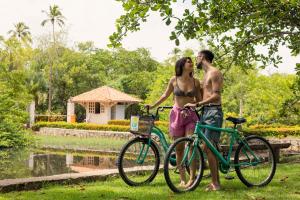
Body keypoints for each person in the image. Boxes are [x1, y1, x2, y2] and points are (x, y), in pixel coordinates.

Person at [146, 57, 202, 187]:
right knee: (179, 149)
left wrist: (194, 104)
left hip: (191, 116)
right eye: (189, 62)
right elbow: (164, 96)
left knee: (190, 145)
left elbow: (199, 101)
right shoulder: (174, 80)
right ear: (182, 65)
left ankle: (192, 178)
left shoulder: (196, 82)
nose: (191, 64)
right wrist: (153, 106)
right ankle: (182, 178)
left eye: (192, 62)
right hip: (176, 115)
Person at [185, 50, 223, 191]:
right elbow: (201, 96)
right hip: (206, 112)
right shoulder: (205, 75)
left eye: (197, 58)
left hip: (214, 112)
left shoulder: (214, 73)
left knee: (208, 147)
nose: (195, 61)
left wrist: (198, 104)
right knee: (210, 148)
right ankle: (216, 181)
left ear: (202, 57)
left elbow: (216, 96)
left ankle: (216, 184)